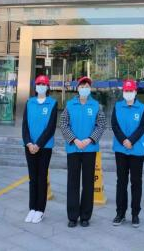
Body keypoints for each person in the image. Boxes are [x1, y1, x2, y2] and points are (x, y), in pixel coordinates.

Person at [59, 76, 106, 228]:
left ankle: (85, 216)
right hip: (73, 148)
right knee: (73, 182)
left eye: (87, 86)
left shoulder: (96, 105)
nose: (84, 89)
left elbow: (101, 124)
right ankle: (72, 216)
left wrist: (89, 140)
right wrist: (74, 140)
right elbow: (63, 124)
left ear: (90, 89)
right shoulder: (70, 105)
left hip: (89, 149)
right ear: (77, 88)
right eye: (82, 86)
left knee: (88, 183)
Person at [22, 74, 58, 224]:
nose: (41, 86)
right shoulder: (29, 102)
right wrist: (29, 143)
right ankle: (32, 208)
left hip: (44, 147)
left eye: (44, 84)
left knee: (42, 177)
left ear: (47, 87)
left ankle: (40, 210)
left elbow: (51, 128)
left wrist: (38, 145)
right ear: (35, 86)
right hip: (30, 147)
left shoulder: (52, 103)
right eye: (39, 84)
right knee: (32, 178)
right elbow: (25, 125)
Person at [111, 79, 144, 228]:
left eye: (131, 90)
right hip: (120, 149)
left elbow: (142, 127)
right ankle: (120, 213)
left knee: (136, 182)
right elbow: (114, 125)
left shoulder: (142, 108)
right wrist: (123, 140)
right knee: (121, 182)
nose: (128, 93)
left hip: (136, 150)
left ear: (135, 92)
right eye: (126, 90)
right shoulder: (117, 106)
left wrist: (131, 140)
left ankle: (135, 214)